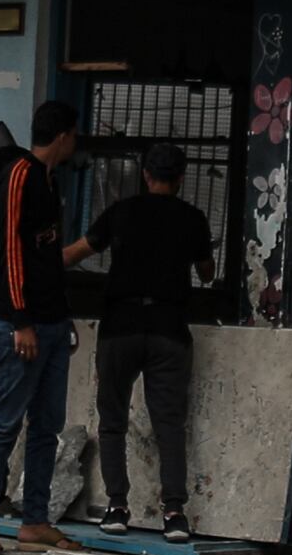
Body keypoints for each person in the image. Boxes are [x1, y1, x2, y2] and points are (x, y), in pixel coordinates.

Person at [65, 143, 215, 530]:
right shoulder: (193, 218)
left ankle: (117, 507)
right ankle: (175, 513)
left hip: (121, 327)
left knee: (112, 419)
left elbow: (78, 253)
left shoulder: (121, 212)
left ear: (145, 175)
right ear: (180, 179)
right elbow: (208, 273)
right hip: (169, 330)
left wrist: (33, 261)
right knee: (169, 424)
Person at [0, 101, 83, 552]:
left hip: (50, 322)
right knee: (4, 423)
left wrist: (60, 317)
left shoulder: (49, 183)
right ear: (64, 136)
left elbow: (45, 260)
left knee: (46, 426)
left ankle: (35, 518)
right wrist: (20, 320)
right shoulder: (19, 175)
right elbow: (9, 251)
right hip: (19, 325)